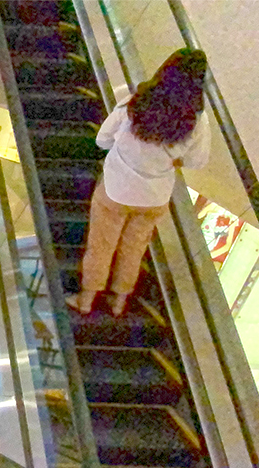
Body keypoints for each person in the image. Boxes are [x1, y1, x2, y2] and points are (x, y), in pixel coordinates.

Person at [67, 49, 211, 316]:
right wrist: (173, 159)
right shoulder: (197, 121)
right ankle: (119, 301)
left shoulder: (136, 102)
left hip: (116, 189)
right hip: (155, 197)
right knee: (134, 248)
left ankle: (87, 299)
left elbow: (102, 140)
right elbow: (197, 161)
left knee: (102, 244)